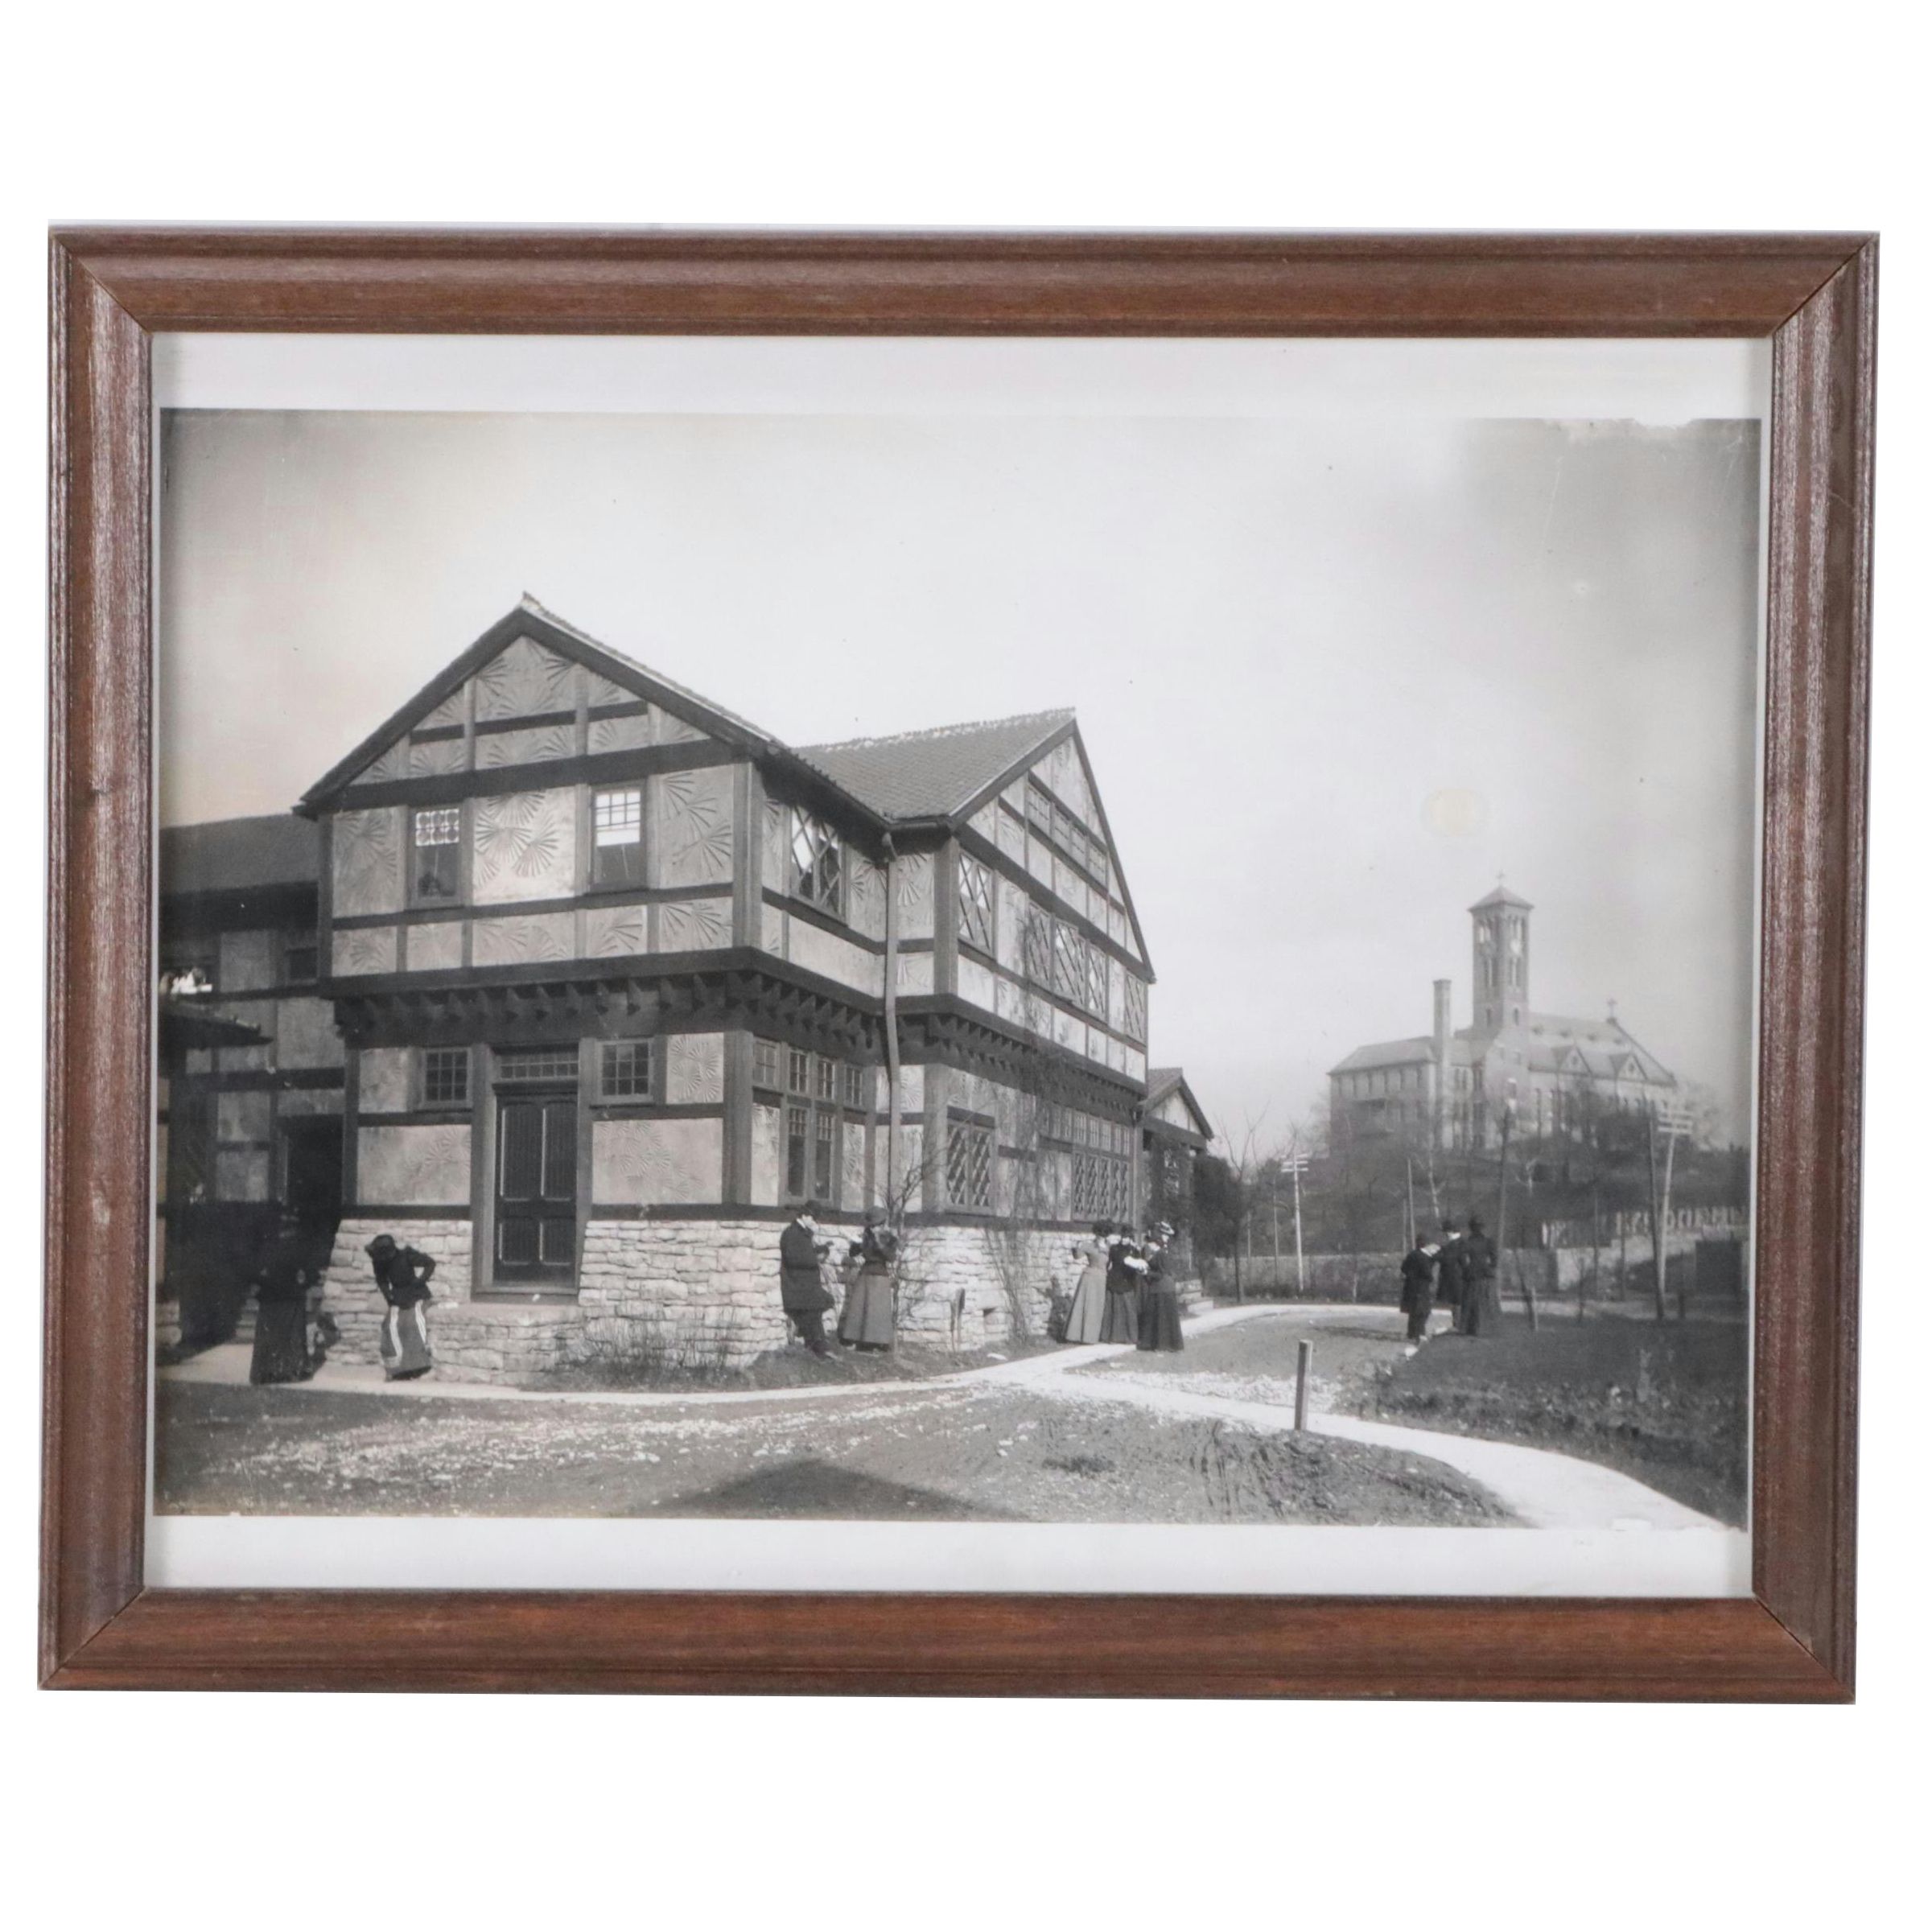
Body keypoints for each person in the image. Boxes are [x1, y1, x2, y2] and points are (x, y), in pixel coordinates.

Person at [250, 1213, 322, 1385]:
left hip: (270, 1297)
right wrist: (302, 1287)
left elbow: (253, 1272)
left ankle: (267, 1372)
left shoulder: (267, 1247)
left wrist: (263, 1284)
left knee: (269, 1335)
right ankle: (292, 1371)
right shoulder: (299, 1248)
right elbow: (314, 1275)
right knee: (292, 1336)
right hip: (291, 1296)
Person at [365, 1233, 435, 1380]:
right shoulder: (379, 1262)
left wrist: (420, 1281)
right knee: (391, 1325)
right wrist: (387, 1294)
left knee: (412, 1322)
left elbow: (430, 1263)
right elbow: (382, 1280)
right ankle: (397, 1369)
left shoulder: (406, 1255)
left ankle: (417, 1366)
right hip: (397, 1297)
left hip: (416, 1295)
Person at [779, 1201, 836, 1357]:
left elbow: (806, 1252)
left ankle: (816, 1342)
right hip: (796, 1285)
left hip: (806, 1285)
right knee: (814, 1306)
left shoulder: (803, 1233)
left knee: (824, 1302)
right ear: (804, 1215)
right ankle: (818, 1346)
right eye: (813, 1218)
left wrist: (823, 1249)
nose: (815, 1222)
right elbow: (793, 1259)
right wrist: (815, 1258)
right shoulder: (791, 1233)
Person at [838, 1213, 899, 1350]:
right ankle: (858, 1340)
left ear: (882, 1226)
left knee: (877, 1310)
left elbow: (891, 1257)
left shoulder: (890, 1239)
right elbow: (853, 1254)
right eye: (871, 1227)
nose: (873, 1229)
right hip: (865, 1274)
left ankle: (877, 1342)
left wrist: (879, 1242)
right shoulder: (866, 1237)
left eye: (876, 1226)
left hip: (880, 1276)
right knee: (859, 1307)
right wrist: (855, 1244)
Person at [1135, 1224, 1185, 1352]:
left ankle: (1163, 1345)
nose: (1149, 1246)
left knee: (1162, 1317)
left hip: (1163, 1287)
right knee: (1159, 1317)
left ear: (1156, 1243)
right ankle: (1159, 1344)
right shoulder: (1158, 1253)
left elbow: (1162, 1273)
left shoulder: (1161, 1254)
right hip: (1159, 1287)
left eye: (1151, 1243)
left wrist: (1147, 1273)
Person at [1062, 1221, 1111, 1345]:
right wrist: (1076, 1246)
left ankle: (1095, 1336)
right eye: (1100, 1234)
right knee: (1086, 1306)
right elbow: (1077, 1256)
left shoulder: (1110, 1247)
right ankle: (1080, 1336)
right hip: (1089, 1278)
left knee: (1098, 1307)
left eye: (1104, 1234)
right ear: (1096, 1233)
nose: (1101, 1236)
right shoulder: (1089, 1245)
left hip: (1102, 1278)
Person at [1099, 1230, 1146, 1344]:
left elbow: (1140, 1263)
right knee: (1114, 1309)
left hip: (1128, 1281)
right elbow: (1109, 1263)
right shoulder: (1114, 1248)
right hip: (1115, 1279)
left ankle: (1130, 1337)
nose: (1124, 1240)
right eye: (1123, 1237)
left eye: (1127, 1237)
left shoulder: (1134, 1250)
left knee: (1129, 1309)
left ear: (1130, 1238)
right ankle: (1112, 1337)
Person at [1460, 1214, 1502, 1337]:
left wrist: (1467, 1269)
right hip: (1485, 1275)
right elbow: (1495, 1260)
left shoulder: (1467, 1242)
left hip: (1473, 1275)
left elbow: (1462, 1259)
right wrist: (1488, 1267)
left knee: (1471, 1303)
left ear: (1471, 1228)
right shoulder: (1489, 1242)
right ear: (1482, 1227)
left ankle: (1471, 1329)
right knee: (1487, 1302)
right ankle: (1487, 1328)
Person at [1399, 1235, 1441, 1343]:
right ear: (1426, 1245)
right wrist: (1431, 1278)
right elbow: (1427, 1273)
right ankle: (1420, 1333)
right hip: (1421, 1287)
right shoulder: (1424, 1257)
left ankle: (1411, 1333)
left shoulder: (1411, 1254)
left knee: (1413, 1311)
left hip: (1410, 1286)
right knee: (1423, 1312)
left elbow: (1403, 1268)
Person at [1436, 1221, 1469, 1331]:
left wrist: (1439, 1254)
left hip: (1456, 1277)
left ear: (1449, 1233)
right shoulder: (1460, 1243)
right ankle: (1457, 1324)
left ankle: (1458, 1324)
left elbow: (1450, 1259)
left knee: (1457, 1301)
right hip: (1458, 1277)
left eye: (1445, 1233)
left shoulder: (1455, 1245)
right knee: (1456, 1302)